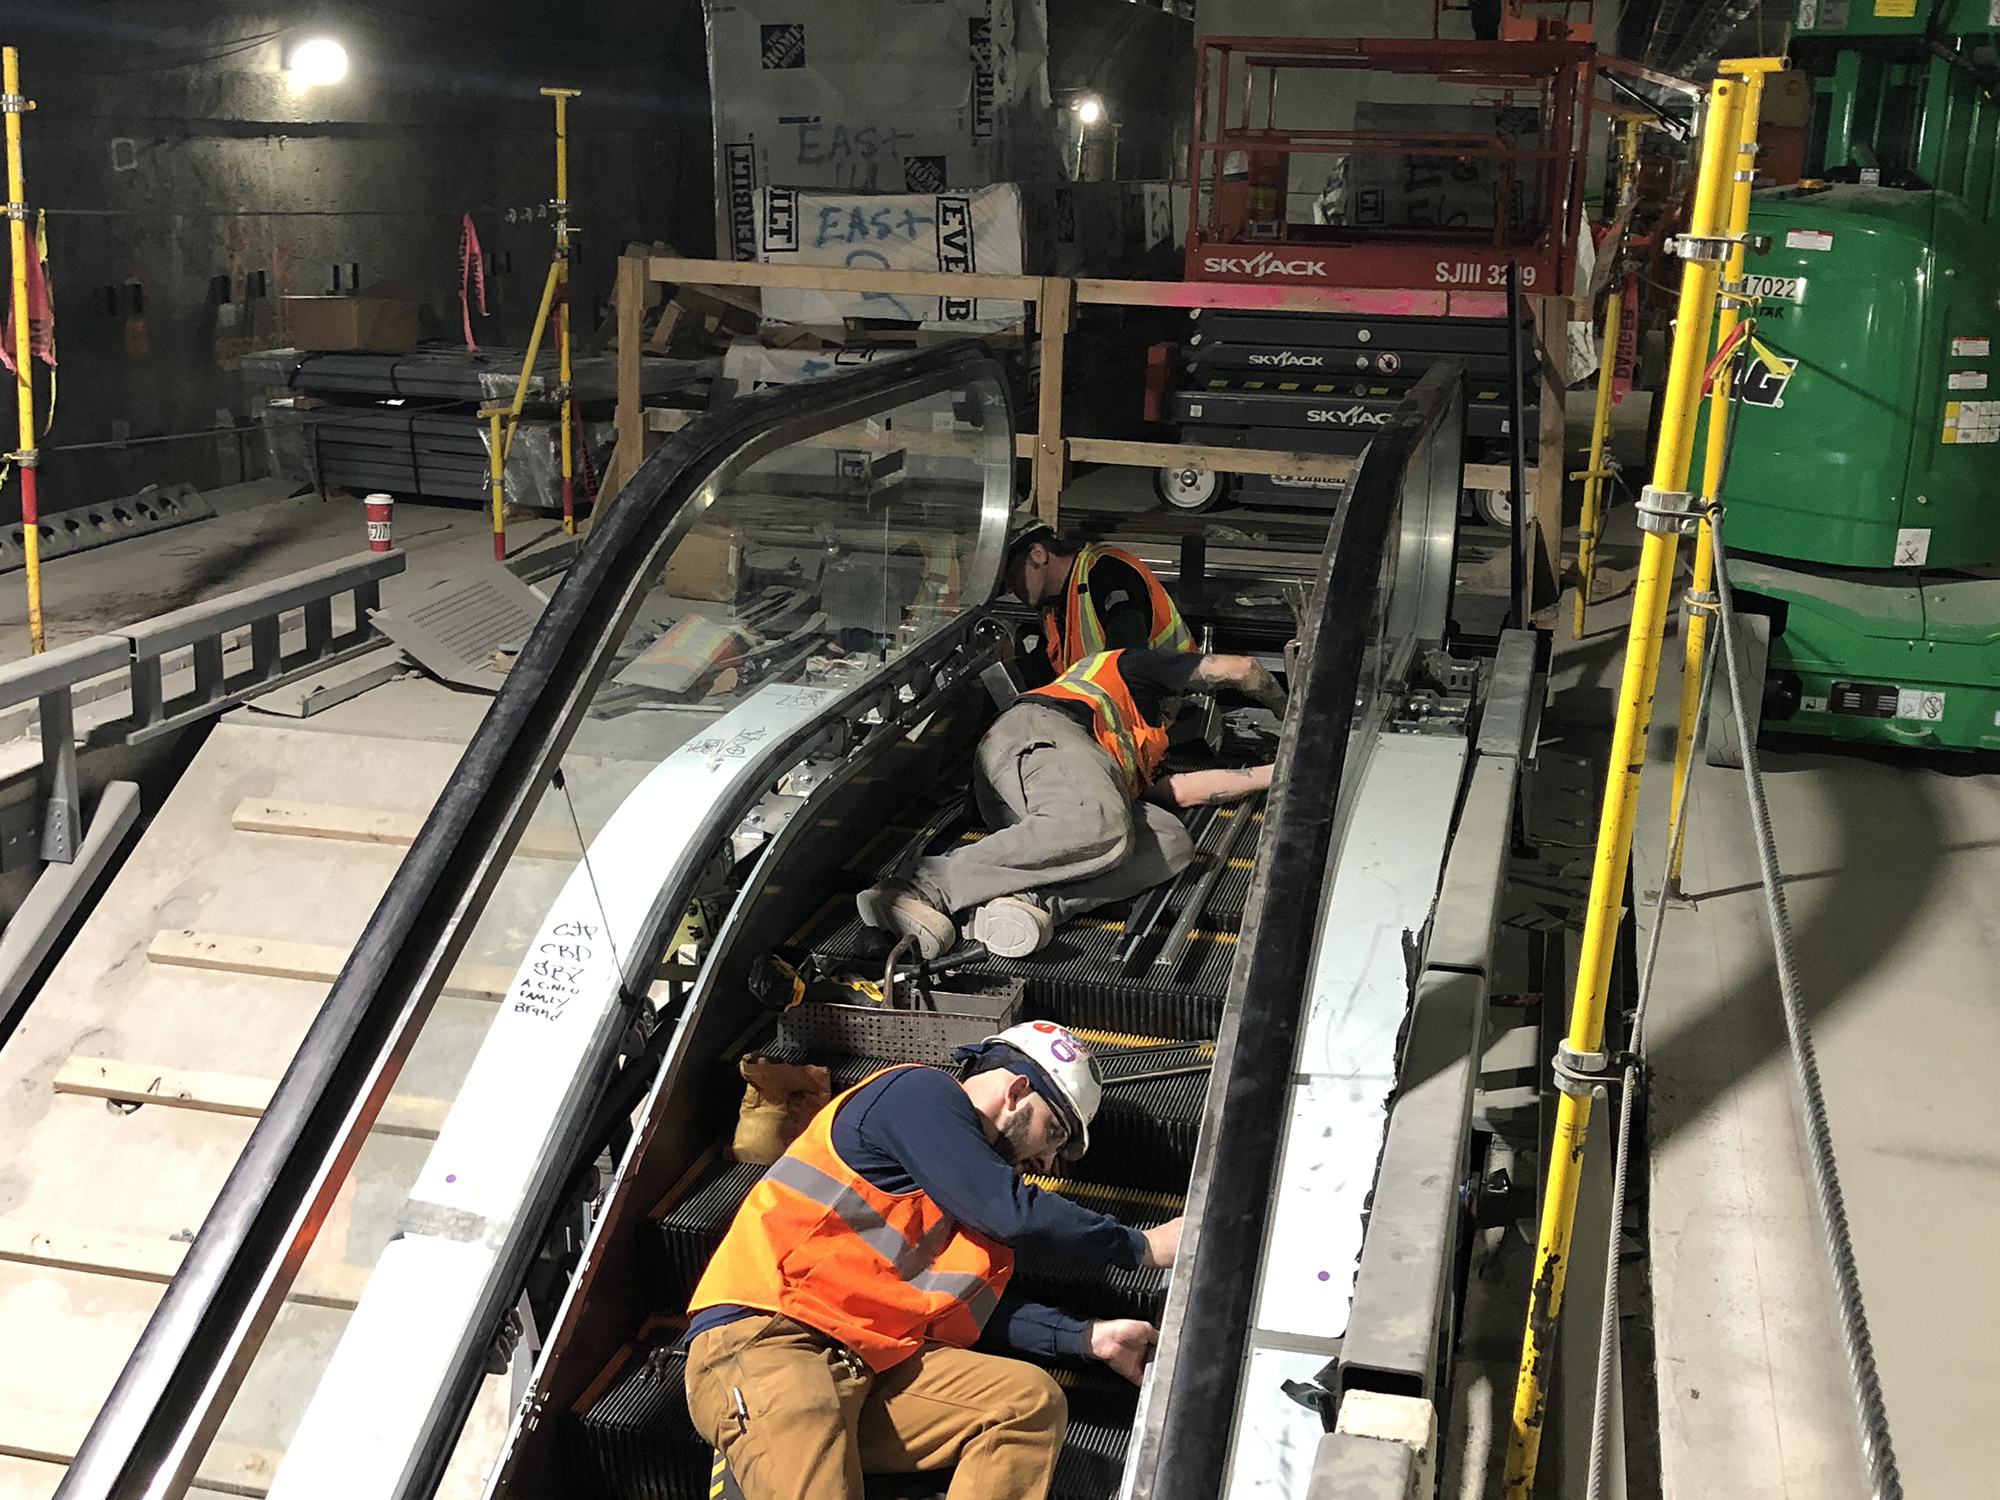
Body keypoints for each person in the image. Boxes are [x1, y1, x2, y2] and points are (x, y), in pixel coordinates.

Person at [684, 1020, 1183, 1500]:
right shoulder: (916, 1094)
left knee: (1026, 1402)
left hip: (868, 1369)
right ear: (1016, 1093)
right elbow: (1010, 1212)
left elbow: (972, 1314)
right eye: (1055, 1134)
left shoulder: (965, 1206)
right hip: (771, 1341)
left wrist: (1088, 1337)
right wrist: (1141, 1246)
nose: (1048, 1162)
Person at [858, 646, 1284, 960]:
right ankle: (917, 887)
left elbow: (1180, 792)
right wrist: (1289, 708)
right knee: (1098, 822)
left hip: (1065, 796)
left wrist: (1277, 772)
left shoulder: (1142, 739)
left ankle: (1026, 900)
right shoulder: (1128, 668)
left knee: (1171, 841)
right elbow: (1242, 668)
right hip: (1037, 737)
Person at [1002, 517, 1195, 685]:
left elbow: (1128, 657)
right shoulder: (1052, 608)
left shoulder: (1107, 572)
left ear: (1038, 553)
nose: (1011, 588)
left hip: (1170, 704)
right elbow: (1052, 668)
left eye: (1012, 576)